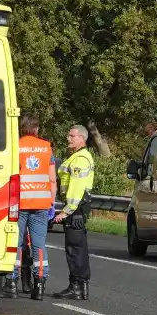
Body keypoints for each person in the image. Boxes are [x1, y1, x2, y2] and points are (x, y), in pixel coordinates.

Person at [5, 115, 56, 301]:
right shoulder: (46, 148)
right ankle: (40, 284)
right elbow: (52, 179)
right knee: (39, 246)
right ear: (36, 129)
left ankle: (11, 282)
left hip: (19, 203)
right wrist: (52, 202)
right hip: (41, 204)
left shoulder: (16, 146)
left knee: (16, 244)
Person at [52, 124, 96, 300]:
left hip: (76, 208)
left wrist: (66, 211)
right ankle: (81, 287)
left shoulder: (80, 159)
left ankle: (76, 287)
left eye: (72, 135)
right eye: (68, 135)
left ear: (82, 139)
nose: (68, 138)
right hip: (79, 208)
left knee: (74, 249)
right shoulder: (78, 157)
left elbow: (76, 188)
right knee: (79, 248)